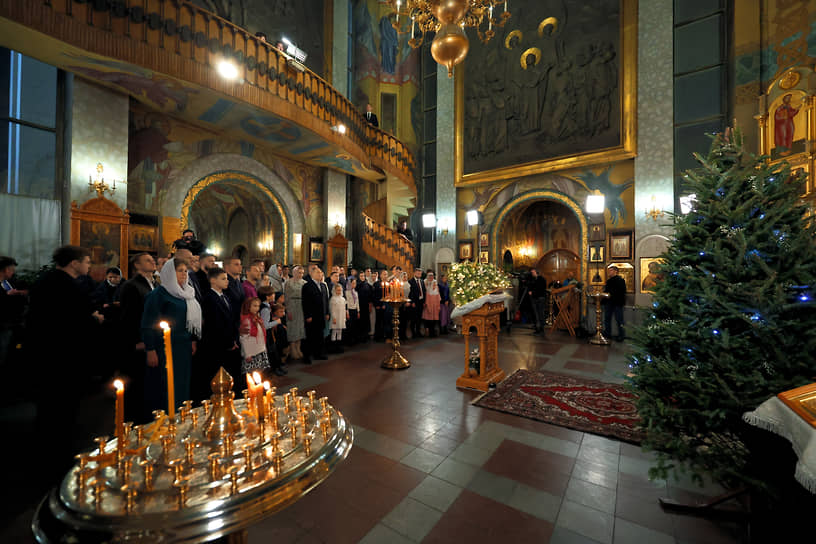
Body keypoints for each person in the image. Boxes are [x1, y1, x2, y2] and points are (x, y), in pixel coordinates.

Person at [28, 246, 102, 478]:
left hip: (47, 355)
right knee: (61, 407)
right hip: (62, 358)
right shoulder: (66, 286)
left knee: (51, 407)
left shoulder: (47, 280)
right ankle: (56, 460)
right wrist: (94, 319)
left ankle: (47, 453)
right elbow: (71, 321)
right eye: (86, 261)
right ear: (74, 263)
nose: (89, 266)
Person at [141, 258, 201, 415]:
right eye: (179, 270)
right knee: (167, 384)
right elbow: (148, 324)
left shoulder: (186, 293)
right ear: (169, 273)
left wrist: (192, 340)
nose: (183, 274)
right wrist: (150, 349)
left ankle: (182, 414)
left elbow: (190, 320)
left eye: (185, 271)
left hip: (184, 346)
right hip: (165, 347)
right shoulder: (158, 295)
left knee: (182, 383)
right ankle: (167, 418)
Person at [118, 253, 156, 422]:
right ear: (138, 266)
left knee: (148, 386)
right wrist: (137, 341)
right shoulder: (131, 286)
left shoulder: (153, 284)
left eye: (152, 259)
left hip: (152, 339)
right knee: (136, 386)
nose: (153, 262)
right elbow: (130, 316)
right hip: (139, 342)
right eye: (147, 260)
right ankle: (133, 424)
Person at [198, 267, 241, 396]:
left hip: (229, 342)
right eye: (223, 279)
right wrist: (228, 342)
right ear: (213, 280)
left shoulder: (225, 297)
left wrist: (234, 339)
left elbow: (231, 320)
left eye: (227, 278)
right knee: (218, 375)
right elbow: (215, 325)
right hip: (217, 345)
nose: (227, 281)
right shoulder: (209, 299)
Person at [0, 256, 26, 369]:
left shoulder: (10, 282)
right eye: (11, 269)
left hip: (12, 324)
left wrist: (19, 293)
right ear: (6, 270)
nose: (13, 272)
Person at [239, 297, 271, 377]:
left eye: (258, 306)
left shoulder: (257, 317)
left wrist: (264, 347)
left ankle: (258, 388)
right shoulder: (246, 320)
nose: (257, 308)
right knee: (251, 374)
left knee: (260, 373)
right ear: (248, 306)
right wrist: (247, 354)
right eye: (254, 306)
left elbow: (261, 334)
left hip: (259, 350)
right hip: (252, 352)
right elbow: (244, 339)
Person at [259, 286, 287, 376]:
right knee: (272, 352)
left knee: (274, 350)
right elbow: (265, 325)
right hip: (267, 334)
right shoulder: (265, 309)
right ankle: (275, 369)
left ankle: (278, 367)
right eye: (272, 294)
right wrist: (276, 322)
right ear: (267, 296)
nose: (274, 295)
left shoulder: (267, 306)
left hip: (270, 333)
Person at [302, 265, 327, 362]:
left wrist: (325, 313)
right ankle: (307, 356)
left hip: (320, 315)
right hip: (312, 316)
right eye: (317, 272)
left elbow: (324, 301)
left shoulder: (322, 285)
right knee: (310, 336)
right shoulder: (307, 286)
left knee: (319, 336)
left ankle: (318, 353)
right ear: (312, 274)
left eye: (321, 272)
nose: (320, 274)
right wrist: (308, 315)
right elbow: (305, 302)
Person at [285, 266, 306, 362]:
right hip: (292, 305)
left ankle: (299, 348)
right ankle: (293, 349)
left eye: (302, 272)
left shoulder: (304, 283)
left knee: (300, 328)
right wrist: (288, 310)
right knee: (293, 327)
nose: (300, 274)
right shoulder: (288, 282)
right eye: (298, 272)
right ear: (294, 273)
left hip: (302, 305)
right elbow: (286, 297)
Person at [603, 265, 627, 341]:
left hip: (617, 302)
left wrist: (611, 294)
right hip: (609, 303)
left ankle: (621, 335)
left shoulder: (620, 280)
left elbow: (622, 291)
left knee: (619, 319)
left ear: (615, 271)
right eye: (609, 271)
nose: (609, 272)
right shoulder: (609, 281)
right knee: (607, 318)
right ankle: (607, 333)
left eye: (610, 271)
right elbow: (606, 291)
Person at [224, 257, 245, 322]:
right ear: (227, 267)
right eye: (236, 264)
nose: (240, 267)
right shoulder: (224, 281)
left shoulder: (238, 282)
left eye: (240, 264)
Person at [527, 269, 548, 334]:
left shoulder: (541, 279)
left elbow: (540, 288)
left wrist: (532, 292)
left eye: (533, 272)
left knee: (540, 313)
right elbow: (530, 287)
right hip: (535, 298)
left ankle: (541, 328)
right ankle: (538, 328)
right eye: (531, 272)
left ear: (537, 272)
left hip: (540, 298)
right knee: (536, 314)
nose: (532, 274)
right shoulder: (533, 279)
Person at [329, 284, 348, 351]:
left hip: (341, 317)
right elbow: (332, 309)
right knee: (334, 332)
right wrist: (334, 318)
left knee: (340, 331)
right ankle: (333, 347)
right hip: (335, 318)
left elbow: (344, 309)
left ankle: (339, 346)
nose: (339, 292)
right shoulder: (333, 299)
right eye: (338, 290)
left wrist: (345, 318)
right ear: (334, 290)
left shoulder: (343, 299)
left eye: (340, 290)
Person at [407, 267, 425, 338]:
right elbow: (410, 293)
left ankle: (418, 332)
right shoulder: (410, 281)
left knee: (419, 318)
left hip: (421, 302)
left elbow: (424, 291)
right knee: (413, 319)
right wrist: (412, 302)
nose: (419, 274)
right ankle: (413, 333)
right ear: (414, 273)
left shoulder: (422, 281)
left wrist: (424, 301)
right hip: (414, 303)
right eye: (418, 273)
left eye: (420, 273)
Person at [422, 270, 441, 337]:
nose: (431, 277)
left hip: (435, 302)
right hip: (427, 302)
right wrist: (424, 302)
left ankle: (432, 332)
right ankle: (428, 331)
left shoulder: (435, 282)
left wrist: (438, 303)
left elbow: (438, 293)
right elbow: (423, 293)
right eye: (429, 276)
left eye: (432, 276)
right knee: (427, 318)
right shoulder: (424, 282)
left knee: (434, 319)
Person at [356, 271, 373, 342]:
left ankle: (366, 335)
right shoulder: (357, 285)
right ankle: (360, 336)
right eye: (361, 276)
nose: (362, 277)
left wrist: (370, 304)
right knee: (360, 321)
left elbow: (370, 295)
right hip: (359, 305)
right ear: (358, 277)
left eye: (363, 276)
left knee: (366, 320)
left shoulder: (368, 285)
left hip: (366, 305)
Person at [345, 278, 359, 345]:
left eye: (355, 283)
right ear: (350, 284)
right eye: (353, 283)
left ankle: (354, 339)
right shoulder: (346, 292)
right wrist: (347, 312)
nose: (354, 285)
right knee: (349, 326)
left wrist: (358, 311)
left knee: (355, 325)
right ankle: (349, 341)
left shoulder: (355, 292)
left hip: (355, 310)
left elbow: (357, 302)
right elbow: (346, 303)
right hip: (349, 310)